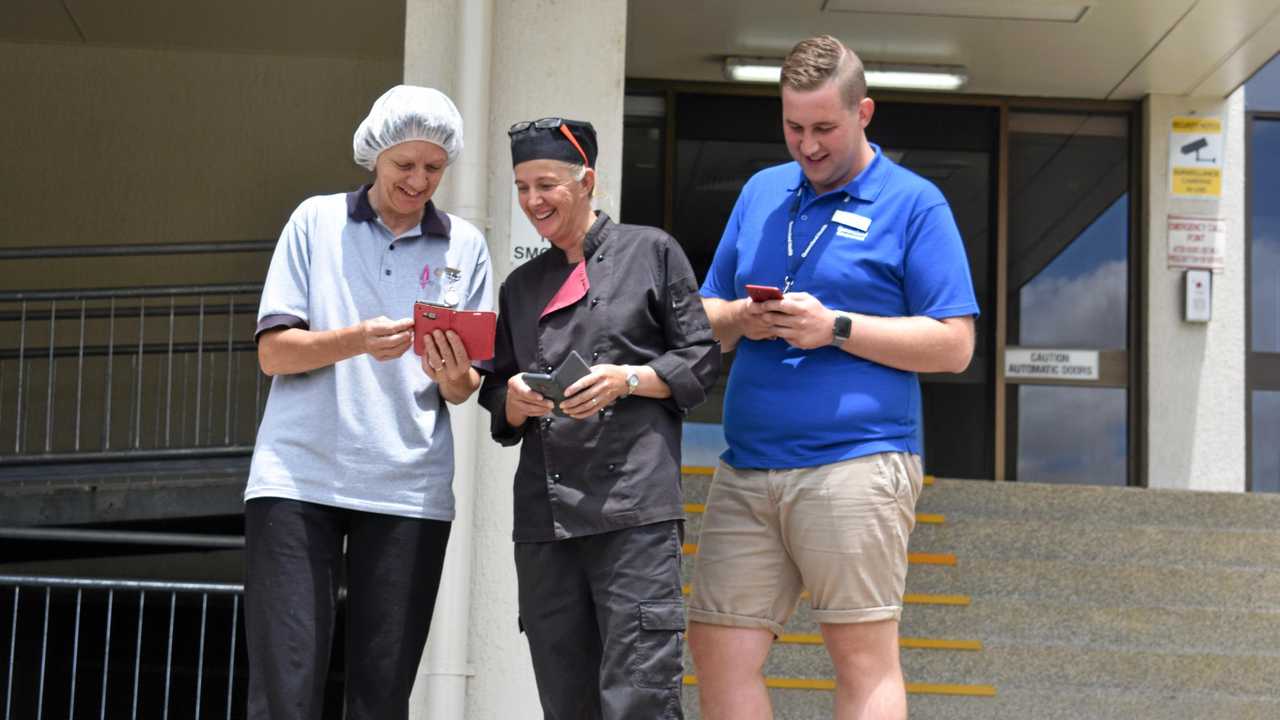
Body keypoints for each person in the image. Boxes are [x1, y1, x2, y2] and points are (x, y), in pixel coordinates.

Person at [686, 36, 979, 720]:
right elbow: (701, 317)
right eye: (793, 127)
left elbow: (955, 345)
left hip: (856, 462)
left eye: (824, 128)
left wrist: (836, 327)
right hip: (747, 466)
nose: (808, 145)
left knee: (861, 659)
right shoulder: (761, 191)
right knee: (715, 649)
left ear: (864, 112)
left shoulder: (915, 204)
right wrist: (738, 318)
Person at [244, 85, 493, 720]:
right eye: (403, 165)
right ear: (373, 156)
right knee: (284, 690)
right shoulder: (315, 220)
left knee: (382, 697)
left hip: (409, 488)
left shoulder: (465, 245)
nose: (418, 180)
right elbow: (274, 353)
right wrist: (356, 339)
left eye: (433, 168)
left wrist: (451, 372)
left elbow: (464, 389)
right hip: (297, 478)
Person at [478, 117, 719, 719]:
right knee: (566, 701)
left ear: (586, 180)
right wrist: (514, 399)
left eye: (547, 184)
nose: (533, 200)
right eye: (522, 187)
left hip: (632, 517)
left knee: (640, 695)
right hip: (545, 521)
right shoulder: (521, 286)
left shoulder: (652, 251)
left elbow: (701, 356)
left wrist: (629, 379)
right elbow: (495, 389)